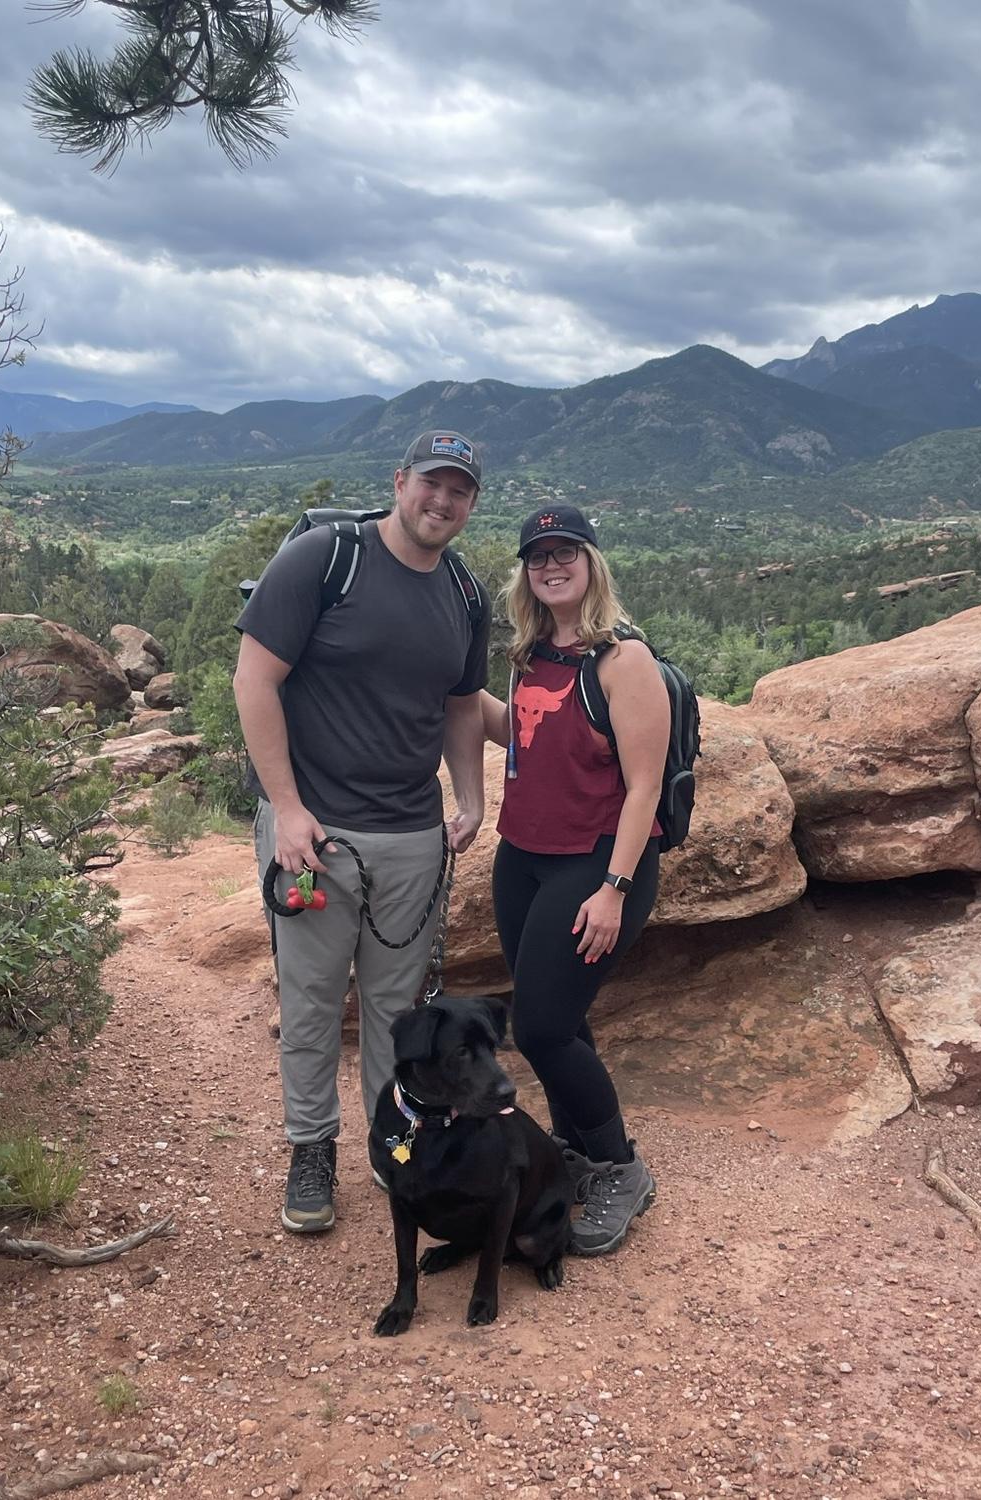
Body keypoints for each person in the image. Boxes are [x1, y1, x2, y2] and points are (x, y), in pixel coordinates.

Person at [233, 432, 490, 1233]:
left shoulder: (466, 595)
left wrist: (472, 798)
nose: (440, 502)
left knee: (394, 1007)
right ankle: (311, 1149)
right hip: (316, 833)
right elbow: (255, 678)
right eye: (430, 485)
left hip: (413, 837)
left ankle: (392, 1140)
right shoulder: (325, 558)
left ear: (470, 505)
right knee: (311, 1003)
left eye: (459, 492)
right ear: (399, 481)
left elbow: (459, 706)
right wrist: (287, 808)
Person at [478, 504, 670, 1256]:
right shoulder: (530, 653)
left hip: (595, 862)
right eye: (537, 556)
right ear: (525, 573)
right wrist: (452, 693)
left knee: (541, 1026)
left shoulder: (624, 662)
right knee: (561, 1018)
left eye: (565, 552)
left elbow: (645, 786)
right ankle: (576, 1148)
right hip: (521, 856)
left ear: (591, 563)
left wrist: (614, 890)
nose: (551, 565)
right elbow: (518, 734)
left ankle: (621, 1167)